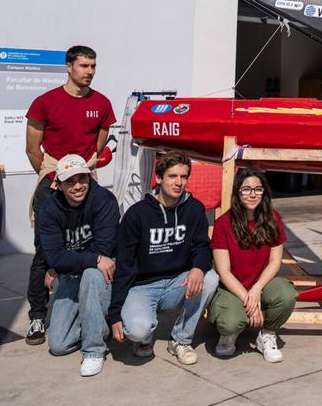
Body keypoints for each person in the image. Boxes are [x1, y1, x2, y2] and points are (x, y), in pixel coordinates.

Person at [23, 45, 116, 346]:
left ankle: (96, 309)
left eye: (93, 66)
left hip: (85, 172)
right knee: (44, 250)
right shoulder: (45, 102)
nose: (89, 71)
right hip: (53, 174)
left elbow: (99, 144)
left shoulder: (101, 103)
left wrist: (81, 173)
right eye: (84, 66)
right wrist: (55, 177)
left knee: (96, 242)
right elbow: (32, 149)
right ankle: (38, 315)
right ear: (68, 66)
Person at [107, 150, 218, 366]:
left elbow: (202, 247)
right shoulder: (137, 214)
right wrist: (115, 315)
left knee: (210, 278)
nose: (179, 182)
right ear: (158, 178)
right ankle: (145, 336)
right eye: (172, 176)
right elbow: (125, 265)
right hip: (143, 286)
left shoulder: (194, 209)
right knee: (136, 330)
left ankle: (180, 340)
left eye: (183, 177)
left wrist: (198, 268)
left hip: (177, 282)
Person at [37, 154, 120, 377]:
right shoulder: (49, 211)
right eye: (70, 181)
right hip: (74, 274)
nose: (77, 186)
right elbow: (54, 257)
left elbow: (104, 248)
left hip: (103, 273)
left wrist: (70, 261)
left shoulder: (104, 200)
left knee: (92, 274)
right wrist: (82, 261)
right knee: (58, 344)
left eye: (82, 178)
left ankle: (94, 350)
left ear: (89, 178)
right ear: (58, 184)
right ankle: (100, 326)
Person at [209, 167, 298, 362]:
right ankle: (229, 334)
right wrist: (249, 300)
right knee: (230, 323)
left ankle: (267, 334)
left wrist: (257, 289)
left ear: (264, 192)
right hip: (232, 287)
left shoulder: (273, 219)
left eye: (258, 189)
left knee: (286, 294)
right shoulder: (224, 223)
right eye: (246, 189)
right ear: (237, 192)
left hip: (261, 284)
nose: (252, 194)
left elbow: (275, 262)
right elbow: (224, 271)